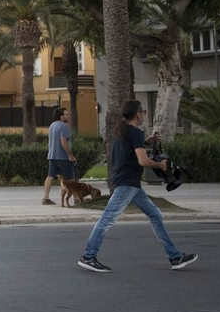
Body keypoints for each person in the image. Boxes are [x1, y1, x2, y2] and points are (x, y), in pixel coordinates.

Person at [77, 100, 197, 274]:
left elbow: (130, 149)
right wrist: (162, 166)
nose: (143, 115)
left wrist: (147, 142)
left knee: (155, 215)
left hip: (130, 184)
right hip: (127, 184)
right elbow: (143, 161)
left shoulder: (121, 130)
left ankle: (175, 257)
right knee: (107, 219)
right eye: (143, 112)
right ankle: (88, 256)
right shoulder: (135, 133)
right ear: (137, 114)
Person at [41, 107, 75, 205]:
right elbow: (63, 141)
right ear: (61, 116)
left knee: (50, 176)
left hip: (52, 156)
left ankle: (46, 197)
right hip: (63, 157)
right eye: (66, 114)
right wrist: (70, 155)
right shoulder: (64, 126)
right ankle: (76, 198)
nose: (68, 116)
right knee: (71, 178)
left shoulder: (52, 125)